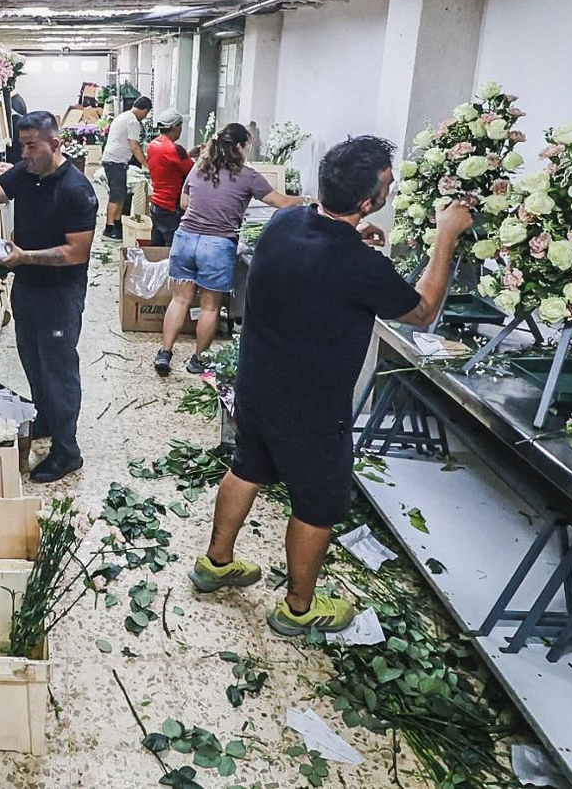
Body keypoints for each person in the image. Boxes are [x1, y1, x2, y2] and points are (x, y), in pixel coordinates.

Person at [189, 135, 474, 637]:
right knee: (315, 504)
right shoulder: (360, 266)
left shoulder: (283, 222)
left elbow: (318, 257)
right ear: (366, 202)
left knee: (247, 466)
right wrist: (445, 236)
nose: (392, 187)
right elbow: (423, 311)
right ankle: (299, 609)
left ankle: (216, 562)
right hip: (313, 407)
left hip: (257, 383)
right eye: (388, 183)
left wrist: (353, 236)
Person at [0, 112, 97, 483]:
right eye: (21, 145)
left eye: (31, 146)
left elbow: (76, 252)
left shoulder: (75, 189)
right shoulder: (25, 174)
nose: (23, 153)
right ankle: (46, 420)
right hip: (27, 288)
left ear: (54, 144)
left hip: (60, 294)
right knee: (33, 361)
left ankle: (67, 451)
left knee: (58, 370)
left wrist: (25, 256)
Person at [154, 123, 307, 377]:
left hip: (185, 239)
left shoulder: (199, 167)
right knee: (210, 307)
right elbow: (280, 202)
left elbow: (184, 202)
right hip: (217, 245)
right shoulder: (247, 176)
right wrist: (307, 201)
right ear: (238, 146)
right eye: (247, 146)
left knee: (179, 300)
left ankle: (164, 353)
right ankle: (197, 360)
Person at [100, 95, 152, 239]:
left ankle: (117, 225)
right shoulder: (133, 121)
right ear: (145, 110)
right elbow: (135, 147)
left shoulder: (124, 116)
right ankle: (109, 229)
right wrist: (148, 165)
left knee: (121, 195)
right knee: (116, 196)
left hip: (116, 161)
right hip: (115, 162)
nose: (145, 117)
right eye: (146, 114)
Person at [145, 108, 192, 247]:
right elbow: (192, 172)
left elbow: (169, 164)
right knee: (173, 247)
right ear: (174, 127)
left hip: (157, 203)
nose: (181, 130)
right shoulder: (175, 149)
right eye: (180, 126)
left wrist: (188, 154)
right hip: (171, 205)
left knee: (156, 245)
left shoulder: (153, 145)